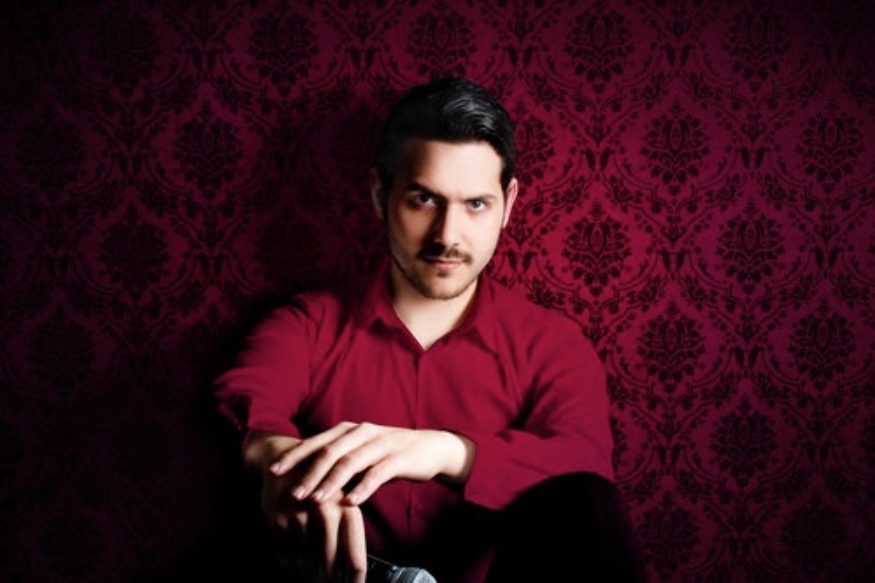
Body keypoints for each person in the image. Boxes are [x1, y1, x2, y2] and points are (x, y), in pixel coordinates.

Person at [214, 77, 644, 582]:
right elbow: (248, 402)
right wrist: (281, 465)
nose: (447, 235)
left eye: (476, 204)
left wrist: (446, 451)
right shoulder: (307, 324)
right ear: (381, 194)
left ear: (508, 204)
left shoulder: (553, 345)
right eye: (423, 199)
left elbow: (586, 472)